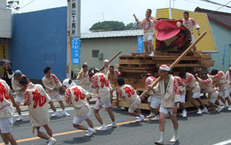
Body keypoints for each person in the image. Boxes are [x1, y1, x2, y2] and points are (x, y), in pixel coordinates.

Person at [147, 64, 181, 144]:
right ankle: (161, 139)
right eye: (159, 71)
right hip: (164, 102)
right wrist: (152, 88)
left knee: (173, 120)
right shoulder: (160, 80)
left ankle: (175, 135)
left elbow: (177, 92)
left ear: (166, 72)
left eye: (161, 71)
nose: (159, 73)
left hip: (172, 102)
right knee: (161, 120)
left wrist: (175, 105)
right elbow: (158, 90)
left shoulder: (173, 80)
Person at [19, 76, 56, 145]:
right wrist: (50, 102)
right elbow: (46, 96)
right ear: (29, 80)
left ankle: (50, 139)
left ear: (23, 85)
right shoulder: (39, 86)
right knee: (46, 126)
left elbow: (26, 102)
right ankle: (50, 139)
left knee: (35, 131)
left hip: (36, 112)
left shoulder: (27, 91)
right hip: (44, 109)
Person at [0, 78, 18, 145]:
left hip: (4, 110)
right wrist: (13, 102)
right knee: (2, 131)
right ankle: (7, 144)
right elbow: (9, 93)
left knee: (6, 133)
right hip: (5, 109)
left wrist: (13, 103)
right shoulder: (3, 81)